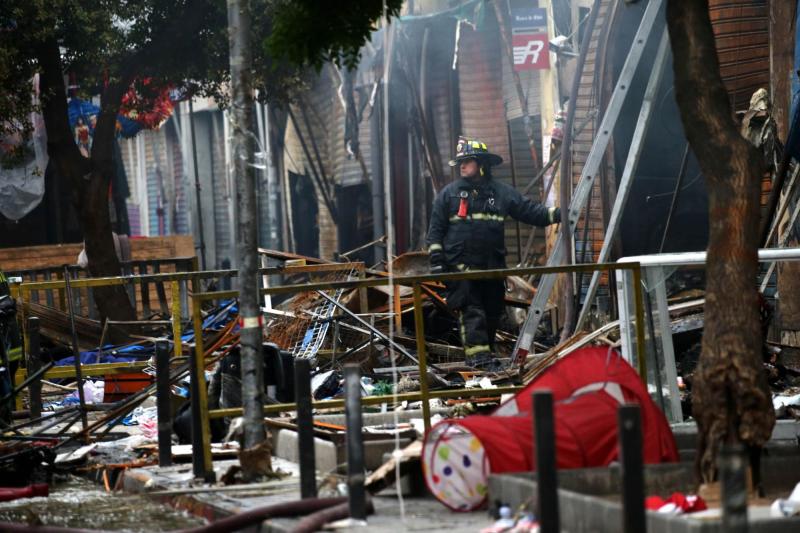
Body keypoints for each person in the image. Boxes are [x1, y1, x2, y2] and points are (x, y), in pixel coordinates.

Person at [426, 137, 560, 370]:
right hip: (460, 271)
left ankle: (485, 361)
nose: (462, 166)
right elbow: (435, 233)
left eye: (467, 161)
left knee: (491, 313)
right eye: (460, 162)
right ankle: (479, 361)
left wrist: (559, 213)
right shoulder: (448, 195)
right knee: (472, 313)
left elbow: (530, 212)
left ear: (481, 164)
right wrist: (437, 264)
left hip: (491, 269)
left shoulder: (501, 193)